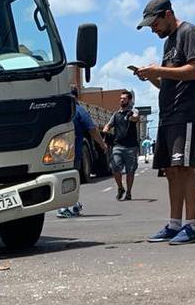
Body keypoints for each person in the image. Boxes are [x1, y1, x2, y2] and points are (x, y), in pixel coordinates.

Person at [134, 0, 195, 245]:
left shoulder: (189, 32)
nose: (153, 29)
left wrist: (159, 70)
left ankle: (191, 226)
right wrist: (151, 76)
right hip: (168, 116)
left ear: (167, 14)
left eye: (154, 24)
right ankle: (174, 224)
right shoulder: (169, 44)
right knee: (171, 171)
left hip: (185, 113)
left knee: (186, 168)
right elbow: (168, 82)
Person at [57, 87, 107, 218]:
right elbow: (92, 129)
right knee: (73, 180)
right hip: (73, 153)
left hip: (56, 154)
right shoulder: (79, 110)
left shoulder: (58, 110)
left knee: (62, 179)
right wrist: (102, 145)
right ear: (77, 96)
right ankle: (67, 207)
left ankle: (70, 205)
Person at [103, 90, 141, 201]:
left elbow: (136, 117)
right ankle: (120, 188)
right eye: (121, 98)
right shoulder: (116, 114)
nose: (122, 100)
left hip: (131, 147)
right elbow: (109, 125)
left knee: (130, 170)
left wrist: (131, 117)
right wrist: (106, 128)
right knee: (115, 167)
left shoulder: (133, 111)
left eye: (124, 98)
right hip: (117, 146)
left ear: (129, 100)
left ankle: (128, 192)